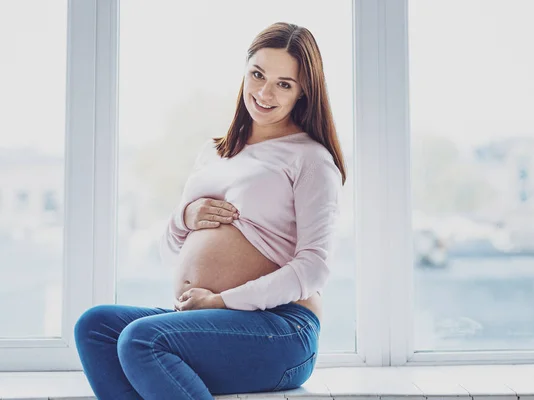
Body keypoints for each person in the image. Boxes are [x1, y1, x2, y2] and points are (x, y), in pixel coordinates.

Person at [74, 21, 347, 400]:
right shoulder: (214, 152)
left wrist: (221, 301)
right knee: (96, 325)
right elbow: (172, 252)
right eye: (257, 74)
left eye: (284, 84)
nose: (264, 92)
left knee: (141, 339)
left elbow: (314, 267)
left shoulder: (310, 160)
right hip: (210, 323)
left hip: (282, 330)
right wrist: (185, 218)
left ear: (303, 93)